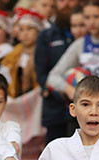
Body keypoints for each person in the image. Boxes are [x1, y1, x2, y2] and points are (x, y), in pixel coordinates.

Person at [47, 0, 99, 101]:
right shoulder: (80, 44)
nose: (92, 22)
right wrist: (70, 90)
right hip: (90, 107)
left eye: (97, 17)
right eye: (87, 17)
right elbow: (53, 76)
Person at [36, 0, 79, 144]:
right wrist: (62, 92)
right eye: (61, 0)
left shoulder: (86, 35)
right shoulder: (46, 36)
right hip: (55, 111)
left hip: (85, 113)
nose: (66, 4)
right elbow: (42, 75)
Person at [1, 8, 44, 97]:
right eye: (21, 30)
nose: (25, 33)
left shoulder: (44, 53)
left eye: (29, 29)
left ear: (38, 32)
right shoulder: (12, 54)